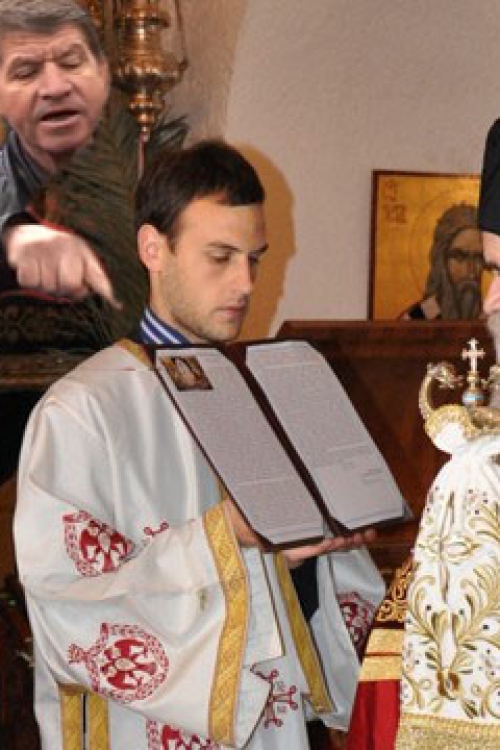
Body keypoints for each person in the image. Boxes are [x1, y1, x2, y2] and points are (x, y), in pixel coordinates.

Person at [14, 140, 385, 749]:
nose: (246, 283)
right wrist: (228, 536)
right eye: (220, 257)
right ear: (152, 248)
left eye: (255, 259)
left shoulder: (268, 398)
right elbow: (68, 607)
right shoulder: (82, 412)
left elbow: (309, 622)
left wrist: (308, 559)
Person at [0, 0, 116, 303]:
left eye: (71, 63)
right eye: (26, 72)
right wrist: (14, 240)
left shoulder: (151, 178)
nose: (55, 87)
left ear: (103, 74)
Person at [401, 203, 484, 320]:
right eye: (460, 257)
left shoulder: (490, 316)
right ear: (442, 262)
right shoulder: (418, 317)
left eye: (478, 258)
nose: (471, 271)